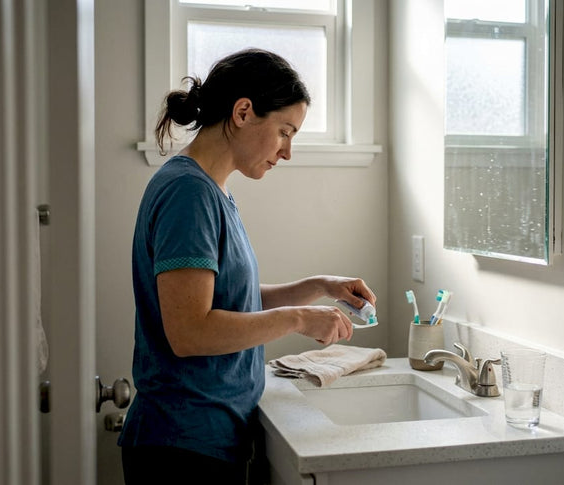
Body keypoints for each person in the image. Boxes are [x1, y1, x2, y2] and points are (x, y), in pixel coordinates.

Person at [118, 48, 377, 485]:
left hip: (204, 439)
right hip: (181, 448)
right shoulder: (189, 194)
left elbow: (230, 301)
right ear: (243, 112)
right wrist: (297, 318)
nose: (288, 151)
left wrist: (318, 286)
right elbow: (190, 331)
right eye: (284, 131)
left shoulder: (212, 192)